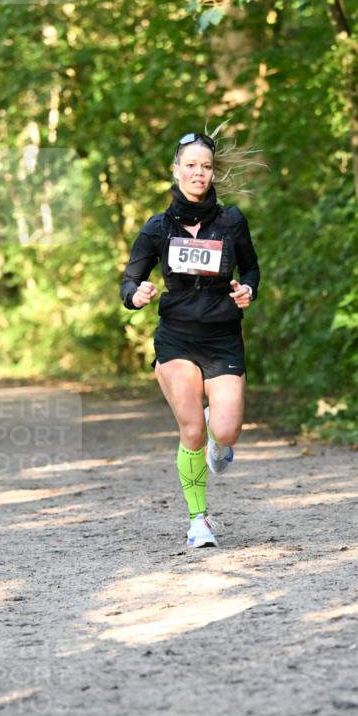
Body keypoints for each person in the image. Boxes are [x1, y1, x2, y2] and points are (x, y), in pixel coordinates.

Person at [120, 130, 260, 548]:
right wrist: (136, 295)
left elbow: (251, 270)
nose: (199, 173)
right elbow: (130, 280)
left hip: (222, 338)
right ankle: (198, 520)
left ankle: (221, 440)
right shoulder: (158, 227)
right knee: (193, 429)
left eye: (207, 166)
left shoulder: (231, 221)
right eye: (192, 165)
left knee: (225, 432)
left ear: (213, 173)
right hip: (177, 339)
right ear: (176, 170)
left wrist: (248, 289)